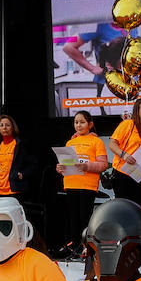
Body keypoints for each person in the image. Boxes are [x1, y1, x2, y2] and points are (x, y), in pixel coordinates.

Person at [56, 110, 108, 259]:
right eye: (76, 122)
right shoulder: (70, 142)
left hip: (87, 185)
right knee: (72, 218)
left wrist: (87, 167)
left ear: (90, 124)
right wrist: (60, 168)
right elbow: (65, 164)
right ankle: (73, 247)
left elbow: (103, 165)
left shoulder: (96, 142)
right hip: (71, 183)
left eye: (82, 122)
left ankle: (86, 247)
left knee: (85, 217)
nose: (78, 125)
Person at [106, 97, 141, 210]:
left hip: (140, 175)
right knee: (125, 210)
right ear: (137, 111)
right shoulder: (128, 124)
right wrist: (124, 155)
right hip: (123, 174)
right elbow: (112, 144)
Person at [0, 115, 33, 200]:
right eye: (1, 125)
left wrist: (23, 174)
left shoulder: (20, 145)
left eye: (8, 125)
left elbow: (33, 164)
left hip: (15, 190)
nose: (4, 127)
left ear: (13, 127)